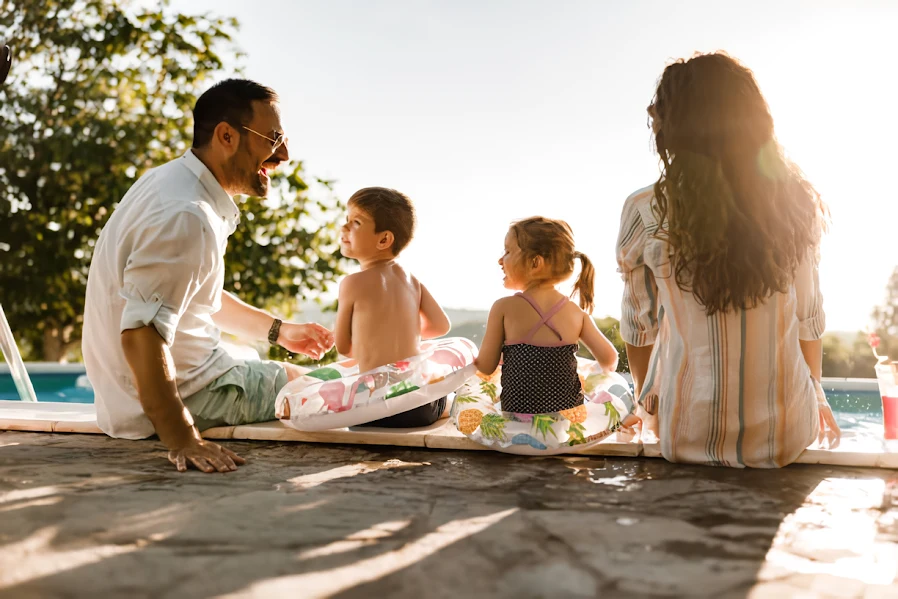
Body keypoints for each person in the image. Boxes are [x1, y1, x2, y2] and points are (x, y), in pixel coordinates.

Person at [82, 79, 334, 474]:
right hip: (184, 397)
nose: (283, 154)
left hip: (141, 395)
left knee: (269, 364)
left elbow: (198, 297)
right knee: (319, 390)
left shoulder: (168, 183)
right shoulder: (187, 214)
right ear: (226, 135)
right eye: (273, 139)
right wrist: (183, 436)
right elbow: (141, 333)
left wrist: (279, 331)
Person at [616, 52, 840, 468]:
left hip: (683, 434)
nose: (652, 116)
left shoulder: (645, 209)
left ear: (679, 125)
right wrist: (818, 395)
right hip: (786, 435)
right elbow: (809, 319)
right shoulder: (794, 204)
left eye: (659, 108)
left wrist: (646, 403)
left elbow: (640, 328)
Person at [475, 217, 629, 416]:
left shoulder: (503, 307)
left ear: (535, 262)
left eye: (507, 251)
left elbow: (486, 366)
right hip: (565, 419)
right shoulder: (576, 313)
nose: (500, 260)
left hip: (516, 417)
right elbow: (609, 359)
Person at [334, 187, 452, 427]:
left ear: (384, 239)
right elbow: (441, 326)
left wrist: (374, 341)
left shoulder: (351, 284)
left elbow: (345, 347)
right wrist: (403, 334)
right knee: (446, 395)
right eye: (346, 220)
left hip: (370, 409)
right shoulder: (411, 280)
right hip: (418, 408)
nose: (344, 228)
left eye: (355, 222)